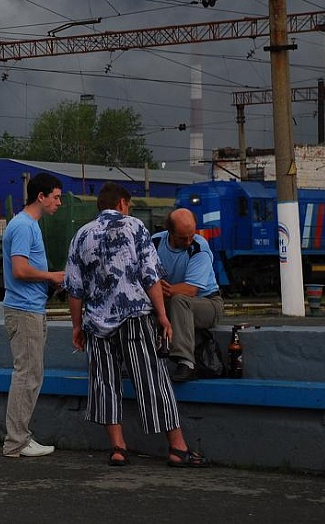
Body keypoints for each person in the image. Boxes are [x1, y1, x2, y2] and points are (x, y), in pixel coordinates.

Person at [64, 182, 209, 468]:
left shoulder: (81, 235)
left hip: (96, 322)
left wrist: (76, 326)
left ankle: (118, 449)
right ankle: (177, 449)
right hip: (134, 317)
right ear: (121, 203)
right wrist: (162, 316)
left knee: (104, 383)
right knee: (153, 380)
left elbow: (74, 288)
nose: (128, 209)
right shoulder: (135, 227)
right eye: (127, 205)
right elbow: (150, 276)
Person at [1, 172, 66, 458]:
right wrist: (52, 276)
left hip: (29, 309)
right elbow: (20, 270)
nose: (59, 203)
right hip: (25, 310)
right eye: (56, 197)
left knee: (30, 375)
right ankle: (16, 441)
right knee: (27, 376)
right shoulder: (25, 227)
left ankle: (19, 438)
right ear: (41, 197)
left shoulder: (27, 224)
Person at [152, 208, 224, 383]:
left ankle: (186, 362)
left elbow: (191, 290)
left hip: (208, 303)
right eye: (183, 238)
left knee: (179, 300)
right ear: (170, 232)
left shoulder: (199, 246)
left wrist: (156, 287)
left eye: (192, 235)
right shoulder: (154, 243)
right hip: (171, 301)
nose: (189, 241)